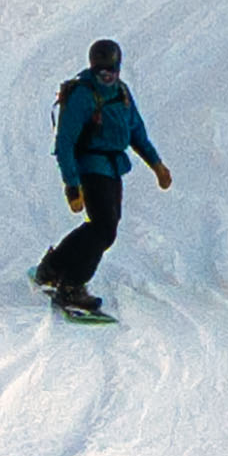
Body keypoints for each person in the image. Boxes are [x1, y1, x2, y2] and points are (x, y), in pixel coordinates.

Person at [31, 38, 173, 315]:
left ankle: (53, 267)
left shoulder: (122, 93)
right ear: (93, 69)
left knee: (104, 228)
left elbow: (136, 133)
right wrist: (72, 185)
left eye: (112, 73)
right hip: (91, 166)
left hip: (112, 167)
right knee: (104, 228)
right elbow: (65, 143)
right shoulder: (84, 96)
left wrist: (157, 165)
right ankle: (71, 286)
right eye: (101, 74)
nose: (107, 79)